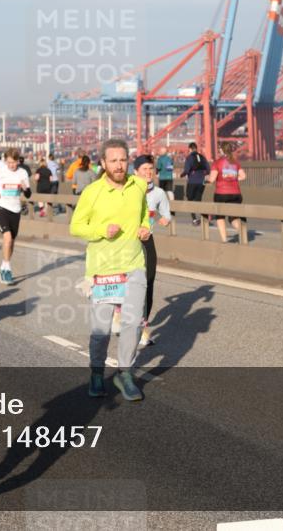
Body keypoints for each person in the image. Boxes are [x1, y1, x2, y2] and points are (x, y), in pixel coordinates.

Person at [70, 139, 150, 402]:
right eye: (113, 160)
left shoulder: (138, 186)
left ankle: (125, 372)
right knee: (101, 329)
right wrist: (101, 231)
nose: (119, 165)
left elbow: (143, 215)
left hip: (134, 264)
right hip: (102, 270)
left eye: (123, 159)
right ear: (103, 163)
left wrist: (145, 228)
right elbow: (76, 227)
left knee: (132, 322)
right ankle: (96, 372)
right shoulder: (92, 192)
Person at [134, 155, 171, 347]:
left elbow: (165, 216)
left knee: (148, 281)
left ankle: (142, 328)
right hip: (127, 242)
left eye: (151, 169)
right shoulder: (127, 190)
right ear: (135, 172)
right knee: (126, 282)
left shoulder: (158, 193)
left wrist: (160, 218)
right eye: (144, 169)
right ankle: (118, 313)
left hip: (147, 241)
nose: (148, 172)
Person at [0, 148, 31, 284]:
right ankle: (7, 269)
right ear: (5, 161)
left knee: (11, 241)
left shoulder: (23, 173)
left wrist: (26, 188)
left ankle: (3, 266)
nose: (11, 165)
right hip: (0, 207)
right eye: (9, 162)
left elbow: (28, 194)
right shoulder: (0, 170)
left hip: (15, 210)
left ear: (18, 161)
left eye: (13, 163)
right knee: (7, 237)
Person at [208, 142, 247, 243]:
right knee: (233, 217)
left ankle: (224, 240)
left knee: (220, 217)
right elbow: (243, 176)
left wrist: (204, 180)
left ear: (221, 150)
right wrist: (233, 178)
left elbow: (212, 179)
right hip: (236, 193)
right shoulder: (235, 162)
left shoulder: (217, 163)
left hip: (221, 194)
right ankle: (243, 234)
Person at [180, 142, 210, 226]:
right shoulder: (202, 157)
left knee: (190, 200)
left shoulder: (189, 158)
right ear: (196, 148)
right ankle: (205, 216)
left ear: (189, 149)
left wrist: (182, 175)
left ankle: (194, 219)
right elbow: (208, 169)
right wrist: (202, 173)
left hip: (192, 182)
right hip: (201, 182)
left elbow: (186, 170)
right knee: (198, 200)